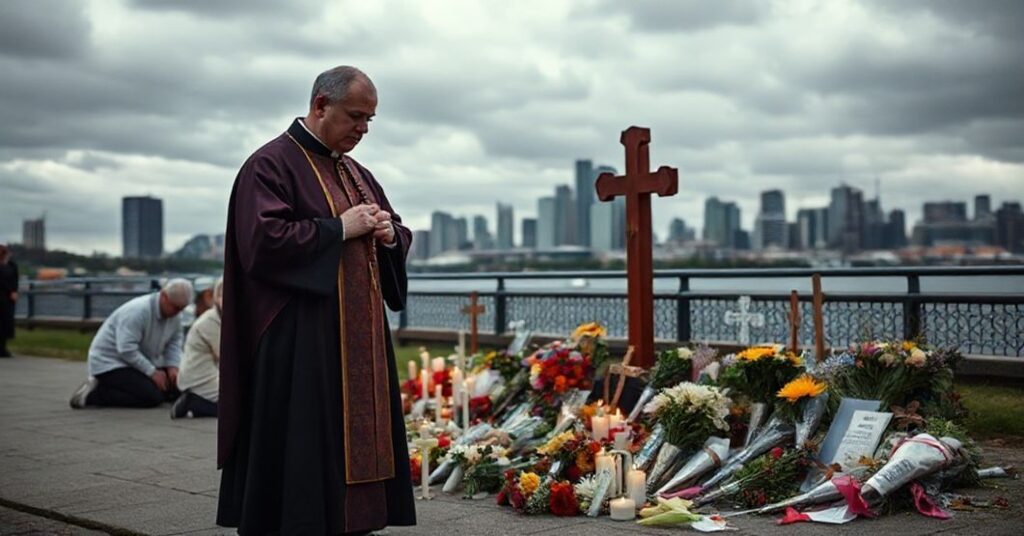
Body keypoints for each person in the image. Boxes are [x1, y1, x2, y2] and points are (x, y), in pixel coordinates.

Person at [217, 66, 416, 534]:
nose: (363, 130)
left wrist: (390, 236)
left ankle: (356, 522)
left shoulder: (357, 173)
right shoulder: (269, 165)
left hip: (359, 338)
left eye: (370, 120)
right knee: (305, 445)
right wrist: (339, 229)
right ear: (320, 106)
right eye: (355, 117)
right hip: (299, 338)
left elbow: (395, 227)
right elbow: (261, 242)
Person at [69, 278, 193, 409]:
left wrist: (173, 366)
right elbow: (126, 349)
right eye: (175, 307)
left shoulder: (175, 316)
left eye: (181, 308)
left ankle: (149, 390)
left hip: (141, 361)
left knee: (178, 389)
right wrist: (152, 372)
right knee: (151, 397)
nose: (178, 312)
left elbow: (174, 342)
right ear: (163, 296)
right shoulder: (137, 312)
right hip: (111, 363)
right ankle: (93, 395)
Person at [171, 277, 223, 419]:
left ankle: (194, 405)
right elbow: (224, 355)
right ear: (216, 298)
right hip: (199, 377)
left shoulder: (219, 319)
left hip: (210, 373)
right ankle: (191, 403)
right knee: (234, 407)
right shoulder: (209, 322)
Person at [0, 244, 17, 358]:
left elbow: (15, 279)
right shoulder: (6, 267)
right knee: (3, 323)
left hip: (7, 298)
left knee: (5, 323)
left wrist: (14, 291)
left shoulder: (11, 265)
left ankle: (2, 347)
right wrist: (11, 291)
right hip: (4, 297)